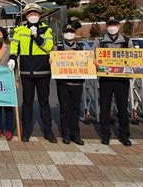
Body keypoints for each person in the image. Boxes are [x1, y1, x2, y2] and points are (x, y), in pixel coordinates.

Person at [10, 3, 56, 143]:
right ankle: (26, 132)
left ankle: (49, 133)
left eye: (35, 13)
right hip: (26, 71)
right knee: (27, 102)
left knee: (44, 102)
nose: (33, 16)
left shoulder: (46, 29)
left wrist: (36, 36)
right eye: (30, 14)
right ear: (26, 16)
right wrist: (12, 59)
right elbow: (14, 47)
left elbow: (49, 48)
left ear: (39, 15)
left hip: (43, 71)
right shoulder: (19, 30)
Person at [93, 17, 134, 147]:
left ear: (118, 25)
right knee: (105, 108)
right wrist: (94, 61)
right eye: (109, 24)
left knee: (122, 108)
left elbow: (135, 58)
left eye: (114, 24)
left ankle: (124, 135)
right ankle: (105, 135)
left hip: (122, 79)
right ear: (106, 26)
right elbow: (92, 56)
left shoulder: (127, 41)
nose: (112, 27)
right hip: (106, 79)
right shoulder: (99, 41)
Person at [55, 24, 85, 145]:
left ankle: (76, 135)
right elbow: (53, 61)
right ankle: (66, 134)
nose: (69, 33)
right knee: (64, 109)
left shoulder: (82, 47)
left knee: (75, 109)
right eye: (67, 31)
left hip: (78, 82)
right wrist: (51, 61)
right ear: (63, 33)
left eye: (71, 31)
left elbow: (89, 60)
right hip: (63, 82)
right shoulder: (58, 47)